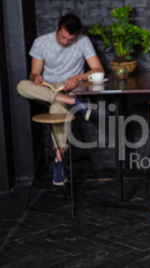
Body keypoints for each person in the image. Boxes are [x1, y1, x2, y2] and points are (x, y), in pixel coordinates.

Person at [17, 13, 104, 186]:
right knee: (22, 85)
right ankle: (75, 104)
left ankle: (58, 162)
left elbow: (99, 71)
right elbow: (34, 73)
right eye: (63, 37)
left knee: (57, 107)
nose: (65, 42)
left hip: (70, 89)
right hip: (47, 89)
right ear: (58, 29)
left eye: (70, 40)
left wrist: (79, 77)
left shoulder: (83, 41)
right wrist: (36, 79)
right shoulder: (41, 42)